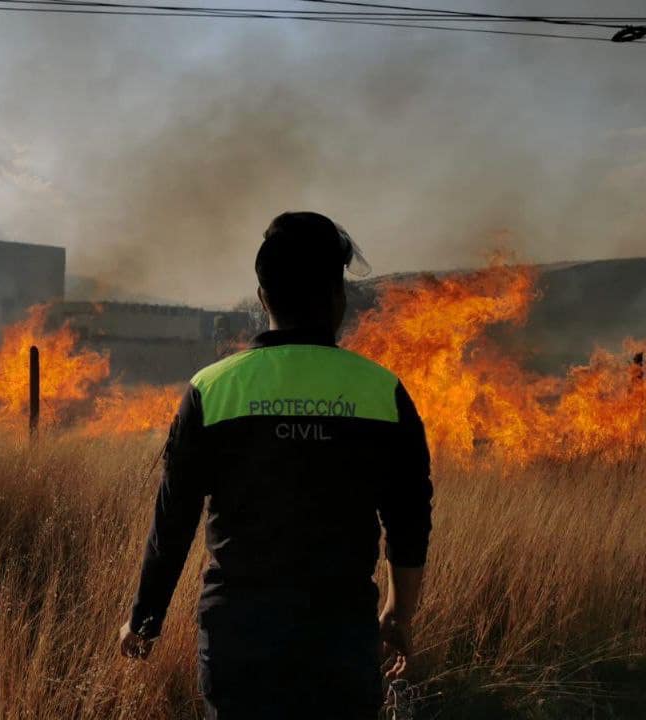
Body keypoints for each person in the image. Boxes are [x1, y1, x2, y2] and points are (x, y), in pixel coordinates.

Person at [118, 211, 433, 719]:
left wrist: (146, 619)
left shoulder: (212, 389)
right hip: (340, 643)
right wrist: (398, 613)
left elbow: (173, 520)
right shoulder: (383, 392)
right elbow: (409, 517)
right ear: (339, 299)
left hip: (238, 644)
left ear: (263, 297)